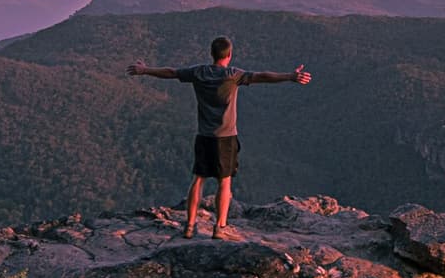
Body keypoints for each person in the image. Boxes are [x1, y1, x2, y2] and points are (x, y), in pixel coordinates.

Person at [126, 36, 309, 236]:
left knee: (198, 179)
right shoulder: (233, 75)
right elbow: (262, 76)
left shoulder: (199, 72)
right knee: (224, 181)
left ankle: (189, 226)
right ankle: (219, 227)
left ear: (211, 53)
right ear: (229, 55)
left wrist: (145, 70)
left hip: (204, 136)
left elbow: (170, 72)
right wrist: (290, 76)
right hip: (226, 137)